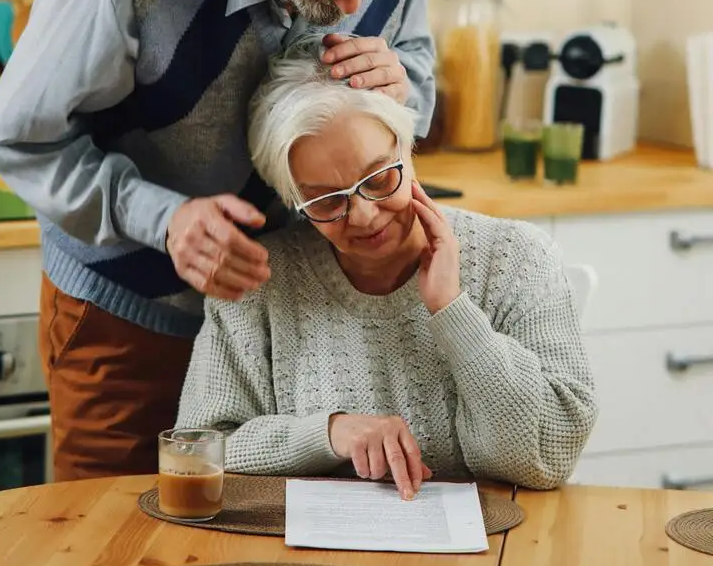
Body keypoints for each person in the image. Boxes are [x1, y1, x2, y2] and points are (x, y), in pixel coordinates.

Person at [0, 0, 448, 481]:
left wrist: (400, 78)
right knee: (112, 548)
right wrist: (166, 220)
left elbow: (418, 73)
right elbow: (20, 139)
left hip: (302, 319)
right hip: (134, 316)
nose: (355, 8)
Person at [177, 46, 598, 495]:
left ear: (407, 146)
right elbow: (196, 451)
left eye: (379, 179)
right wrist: (329, 434)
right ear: (294, 201)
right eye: (326, 202)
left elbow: (549, 457)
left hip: (492, 552)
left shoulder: (517, 257)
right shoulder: (257, 281)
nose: (364, 216)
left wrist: (453, 312)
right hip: (306, 557)